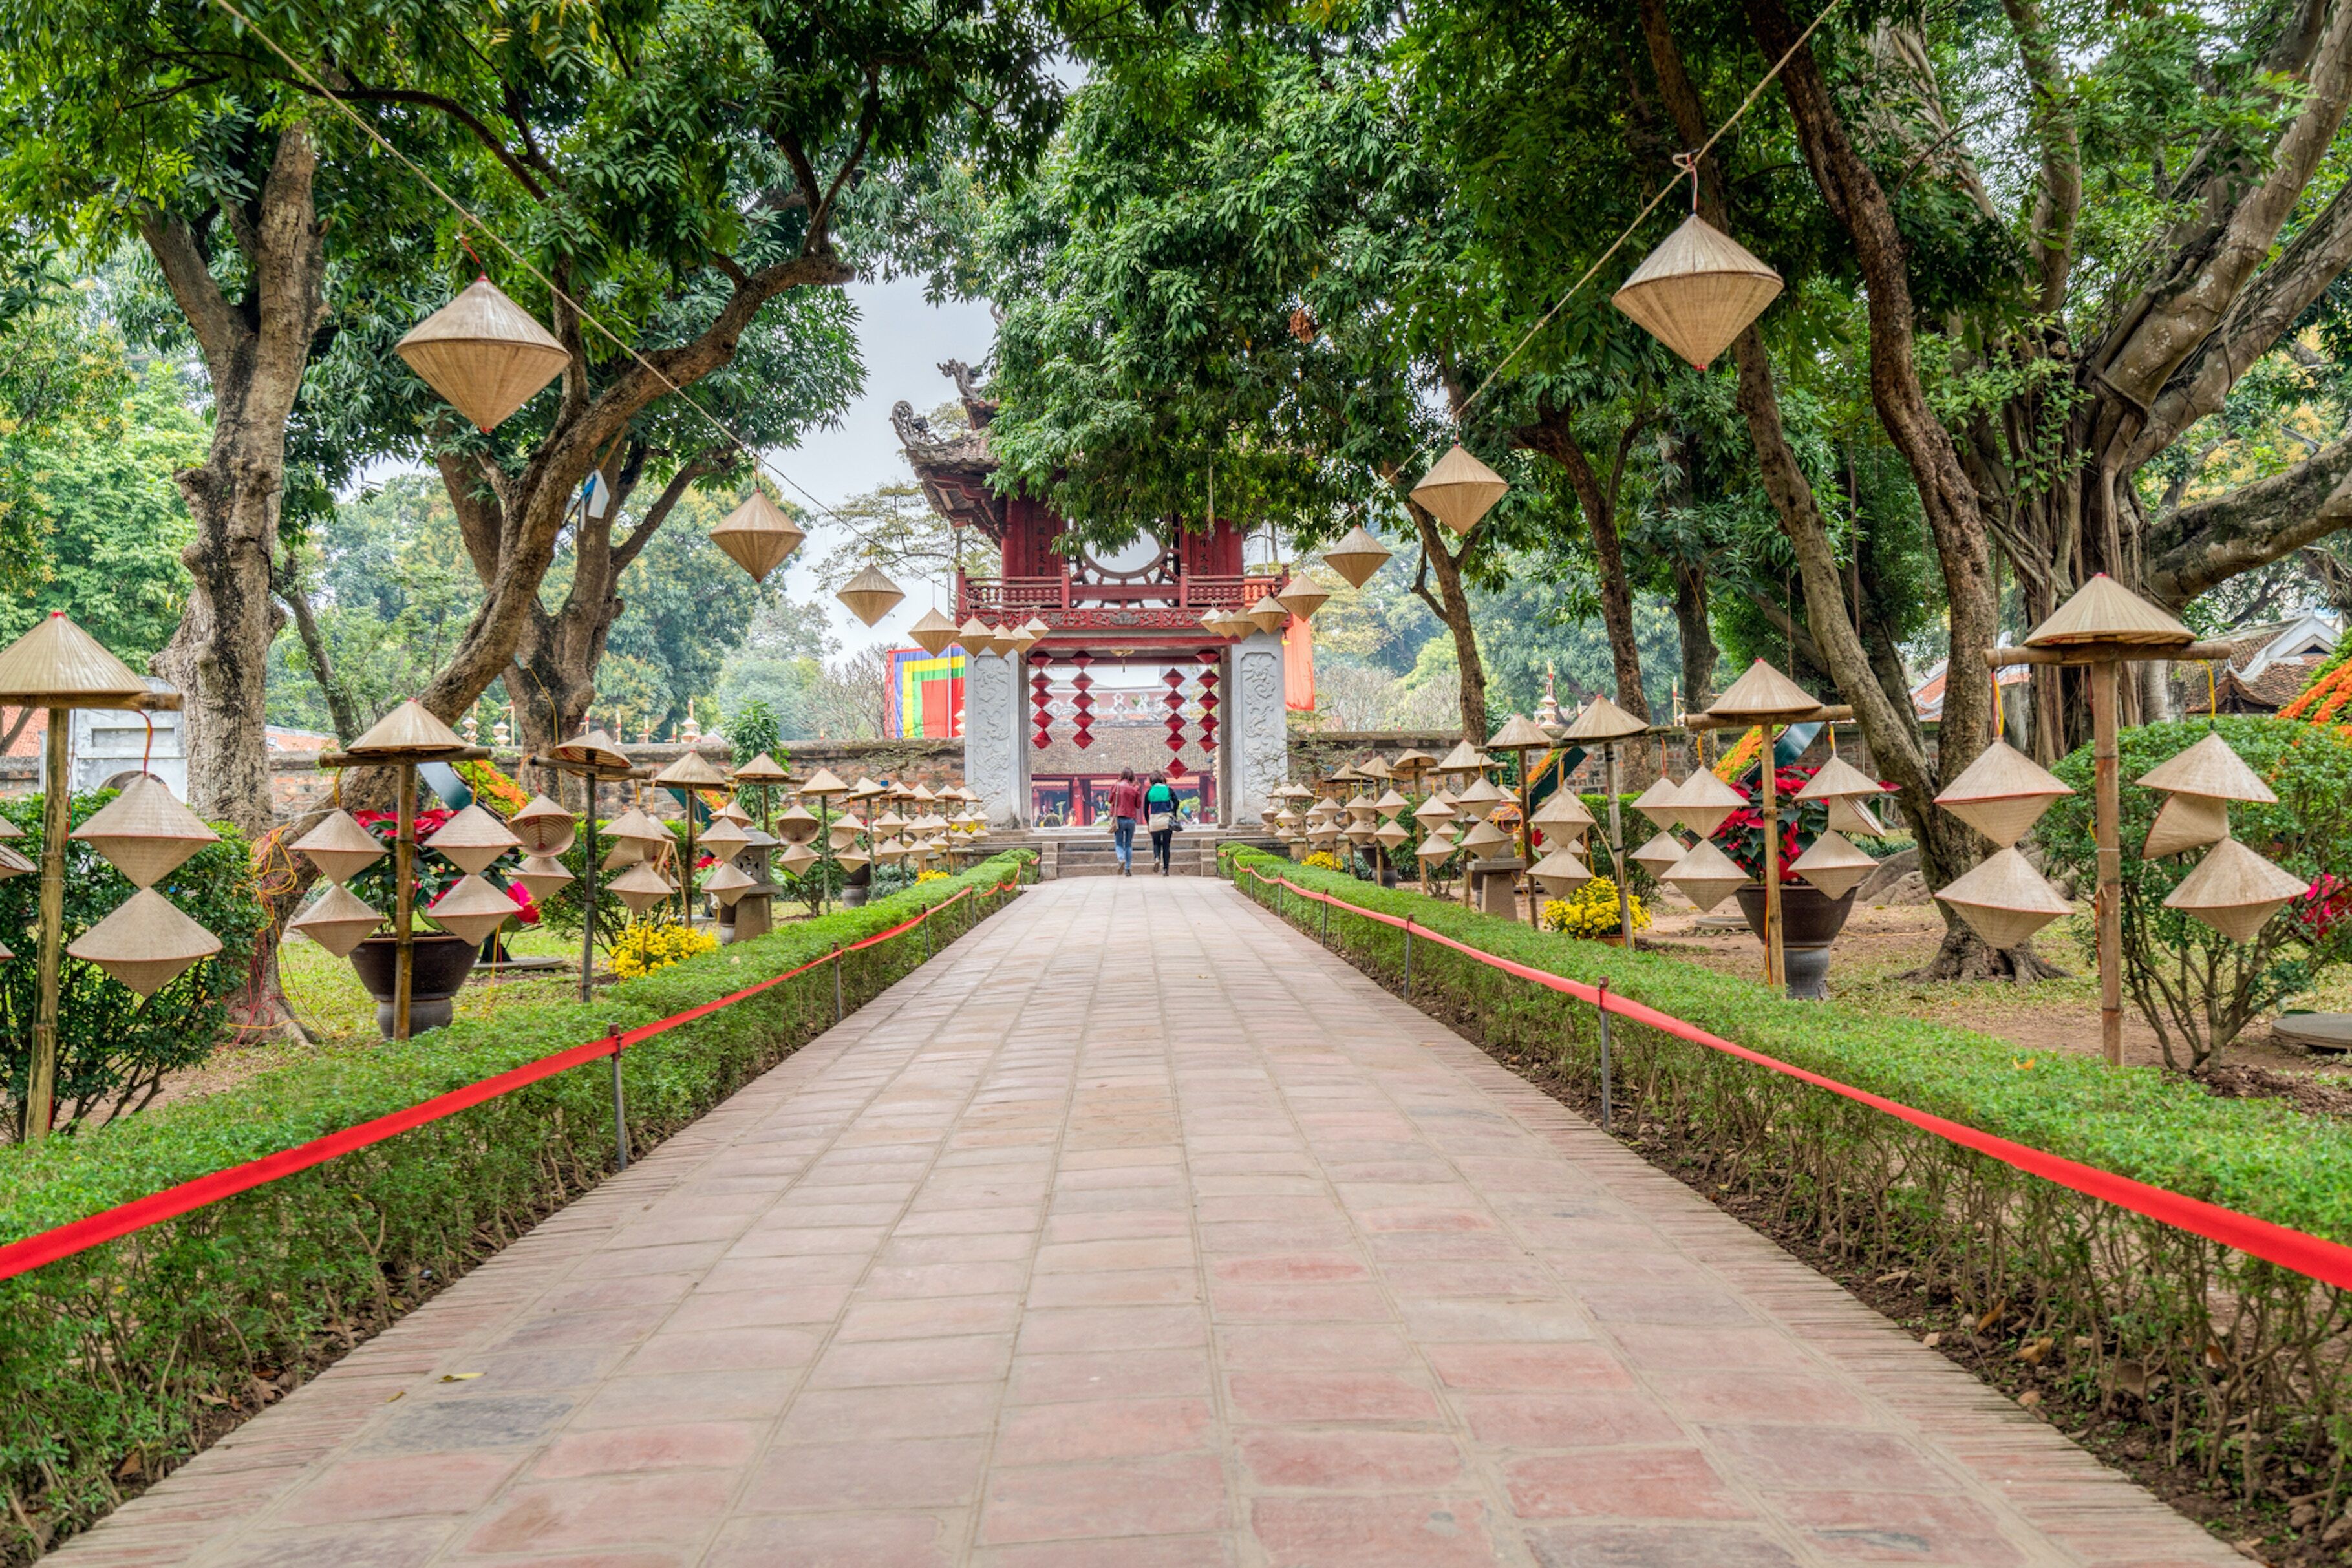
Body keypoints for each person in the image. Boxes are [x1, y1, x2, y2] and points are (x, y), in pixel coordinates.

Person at [1107, 768, 1143, 877]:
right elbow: (1138, 805)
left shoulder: (1116, 786)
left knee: (1119, 843)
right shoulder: (1135, 788)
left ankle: (1121, 858)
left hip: (1119, 818)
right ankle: (1128, 869)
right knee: (1128, 844)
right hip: (1131, 819)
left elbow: (1110, 800)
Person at [1144, 771, 1181, 874]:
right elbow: (1176, 802)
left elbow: (1145, 809)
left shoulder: (1149, 792)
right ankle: (1165, 869)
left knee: (1156, 843)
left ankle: (1157, 858)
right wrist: (1173, 812)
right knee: (1166, 846)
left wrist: (1148, 823)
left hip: (1154, 821)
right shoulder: (1168, 789)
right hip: (1166, 820)